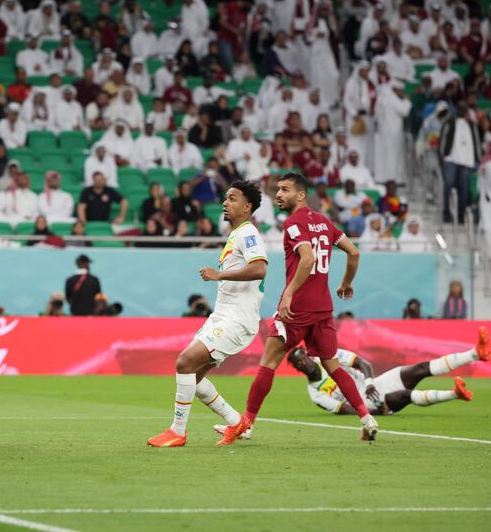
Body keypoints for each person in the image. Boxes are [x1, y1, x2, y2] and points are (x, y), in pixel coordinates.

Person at [220, 172, 379, 445]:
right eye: (278, 189)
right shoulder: (325, 222)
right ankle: (366, 418)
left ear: (301, 195)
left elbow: (307, 259)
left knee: (268, 363)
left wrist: (289, 294)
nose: (279, 194)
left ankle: (246, 425)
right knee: (334, 366)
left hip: (297, 308)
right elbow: (354, 252)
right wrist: (345, 283)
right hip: (323, 309)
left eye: (285, 190)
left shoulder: (294, 223)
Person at [147, 180, 268, 448]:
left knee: (184, 363)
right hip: (222, 316)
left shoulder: (248, 234)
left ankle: (178, 431)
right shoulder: (236, 235)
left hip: (236, 319)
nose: (225, 202)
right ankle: (236, 421)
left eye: (233, 198)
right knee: (194, 377)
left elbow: (259, 269)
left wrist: (219, 274)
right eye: (225, 198)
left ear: (247, 207)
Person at [284, 328, 487, 416]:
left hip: (375, 385)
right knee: (406, 396)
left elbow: (361, 363)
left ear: (309, 355)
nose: (304, 362)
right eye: (298, 362)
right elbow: (343, 409)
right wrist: (370, 412)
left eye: (304, 356)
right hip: (367, 402)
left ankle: (475, 353)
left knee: (420, 368)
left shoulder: (328, 356)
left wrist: (370, 382)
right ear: (297, 368)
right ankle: (454, 394)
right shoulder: (316, 394)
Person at [439, 102, 481, 224]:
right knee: (449, 185)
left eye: (464, 109)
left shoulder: (471, 125)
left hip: (466, 162)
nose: (462, 111)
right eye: (460, 108)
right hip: (451, 160)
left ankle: (461, 215)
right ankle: (447, 213)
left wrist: (477, 159)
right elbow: (443, 139)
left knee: (464, 189)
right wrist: (442, 156)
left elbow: (476, 142)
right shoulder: (449, 123)